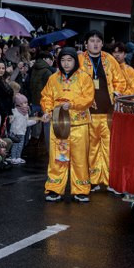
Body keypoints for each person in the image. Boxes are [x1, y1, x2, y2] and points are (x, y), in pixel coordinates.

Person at [41, 47, 94, 203]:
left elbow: (88, 98)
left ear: (75, 61)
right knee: (59, 157)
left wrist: (72, 104)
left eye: (69, 60)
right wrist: (47, 109)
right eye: (63, 60)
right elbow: (46, 96)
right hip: (59, 124)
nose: (66, 63)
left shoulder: (85, 78)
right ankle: (54, 188)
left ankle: (81, 189)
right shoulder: (53, 78)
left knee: (79, 157)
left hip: (79, 123)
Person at [78, 31, 125, 191]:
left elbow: (120, 79)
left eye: (98, 41)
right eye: (92, 41)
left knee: (109, 148)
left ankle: (111, 180)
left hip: (108, 112)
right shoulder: (79, 60)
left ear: (102, 44)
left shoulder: (109, 59)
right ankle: (93, 180)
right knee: (90, 148)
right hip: (88, 112)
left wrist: (117, 92)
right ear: (86, 44)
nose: (95, 44)